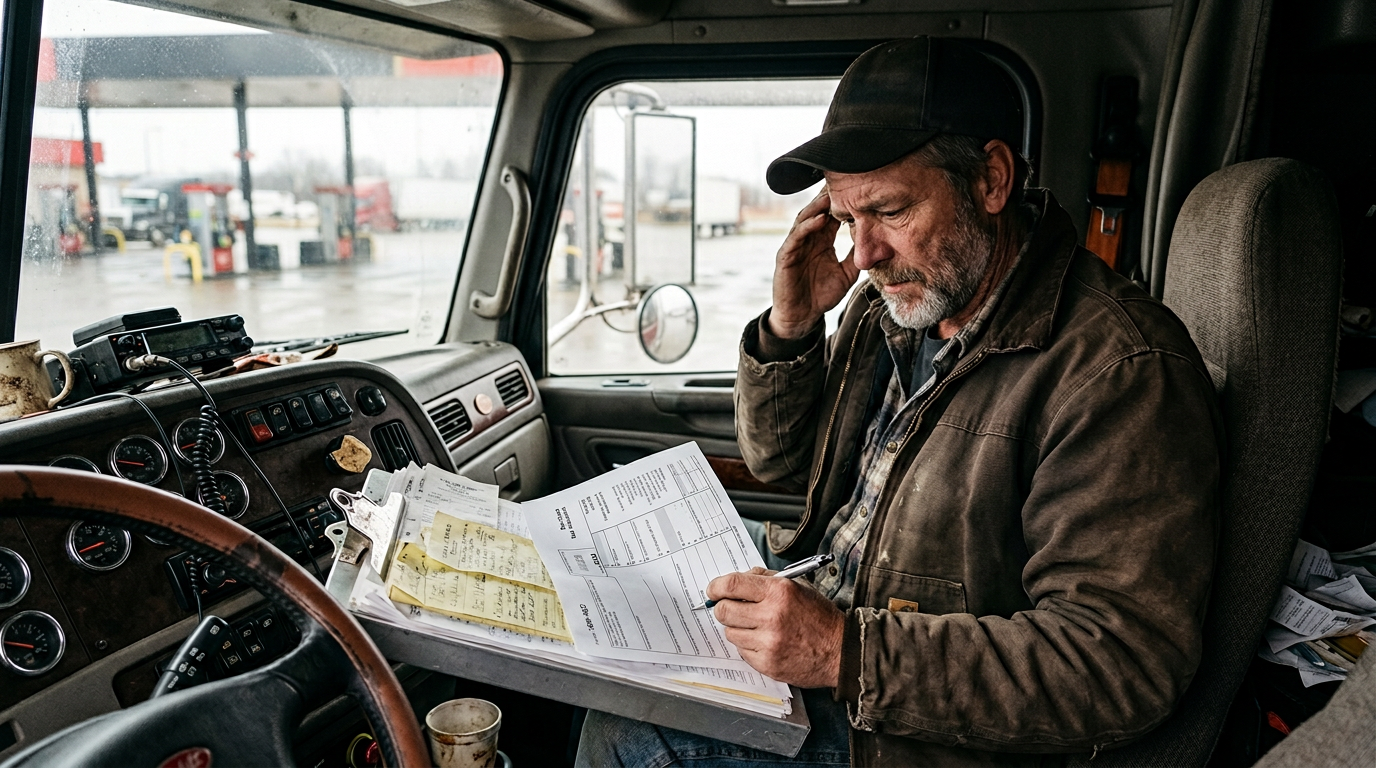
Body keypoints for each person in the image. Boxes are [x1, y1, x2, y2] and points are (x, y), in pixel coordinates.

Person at [576, 36, 1222, 767]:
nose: (863, 254)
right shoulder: (891, 308)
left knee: (626, 732)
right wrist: (793, 327)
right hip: (834, 604)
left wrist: (844, 652)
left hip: (902, 728)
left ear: (991, 180)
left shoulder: (1115, 370)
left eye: (888, 210)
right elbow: (781, 463)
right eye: (848, 220)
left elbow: (1119, 667)